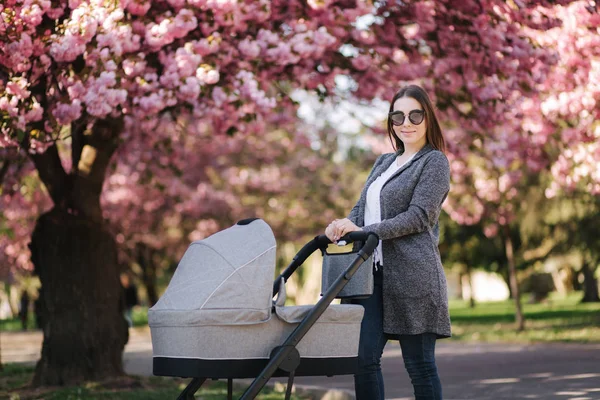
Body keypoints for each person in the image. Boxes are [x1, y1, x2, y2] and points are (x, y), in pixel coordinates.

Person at [325, 84, 451, 400]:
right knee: (362, 359)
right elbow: (360, 210)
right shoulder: (383, 162)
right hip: (369, 277)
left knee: (420, 366)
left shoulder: (434, 162)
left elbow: (419, 217)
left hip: (413, 276)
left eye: (414, 115)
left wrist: (369, 231)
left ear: (428, 119)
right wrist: (342, 225)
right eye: (398, 116)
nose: (406, 122)